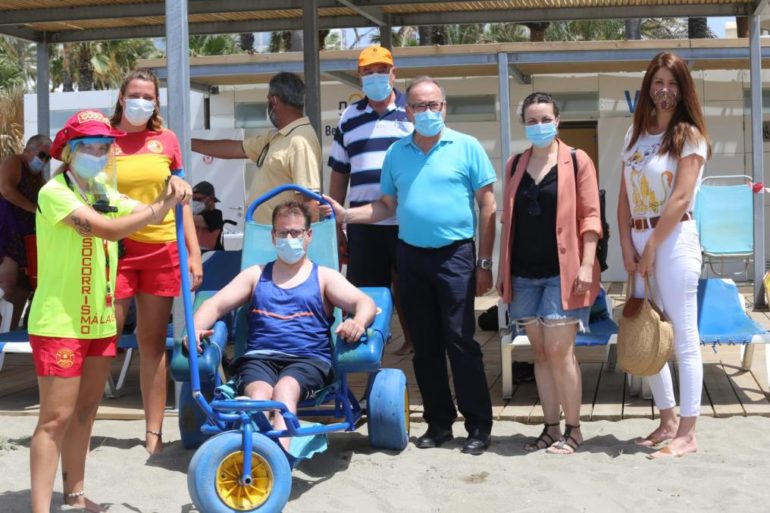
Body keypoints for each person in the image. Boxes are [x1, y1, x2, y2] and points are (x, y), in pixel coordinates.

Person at [324, 76, 497, 456]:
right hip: (411, 255)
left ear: (444, 107)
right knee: (424, 343)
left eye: (434, 104)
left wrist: (484, 261)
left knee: (460, 339)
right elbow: (386, 206)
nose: (427, 111)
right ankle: (439, 423)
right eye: (419, 105)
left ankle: (478, 425)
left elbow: (488, 205)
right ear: (408, 111)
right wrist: (346, 215)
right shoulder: (396, 153)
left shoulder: (467, 146)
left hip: (456, 255)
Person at [27, 110, 188, 513]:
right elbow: (111, 229)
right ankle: (40, 508)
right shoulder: (54, 192)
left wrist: (173, 186)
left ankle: (75, 495)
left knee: (85, 411)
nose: (98, 154)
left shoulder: (100, 189)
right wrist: (159, 207)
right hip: (60, 322)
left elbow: (140, 209)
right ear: (69, 150)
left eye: (104, 147)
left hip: (97, 320)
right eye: (90, 147)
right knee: (55, 418)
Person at [191, 200, 375, 450]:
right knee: (259, 395)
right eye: (283, 233)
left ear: (308, 235)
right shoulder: (255, 274)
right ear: (273, 236)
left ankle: (279, 454)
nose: (289, 239)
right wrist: (196, 328)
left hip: (308, 360)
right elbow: (214, 304)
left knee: (285, 389)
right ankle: (256, 452)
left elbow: (364, 302)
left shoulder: (324, 277)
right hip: (259, 358)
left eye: (296, 233)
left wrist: (357, 322)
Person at [496, 92, 602, 455]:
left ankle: (574, 429)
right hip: (523, 273)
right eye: (531, 120)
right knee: (540, 353)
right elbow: (508, 220)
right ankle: (551, 426)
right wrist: (502, 270)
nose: (538, 125)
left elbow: (591, 216)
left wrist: (587, 263)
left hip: (564, 272)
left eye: (545, 119)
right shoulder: (514, 164)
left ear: (557, 121)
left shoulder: (578, 160)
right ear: (523, 124)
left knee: (560, 350)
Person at [618, 51, 711, 459]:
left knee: (683, 337)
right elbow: (624, 197)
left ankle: (688, 432)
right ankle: (667, 420)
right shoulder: (634, 134)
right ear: (648, 87)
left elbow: (681, 197)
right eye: (658, 82)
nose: (664, 90)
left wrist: (651, 246)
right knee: (647, 330)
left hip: (673, 240)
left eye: (672, 83)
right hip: (639, 241)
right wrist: (627, 246)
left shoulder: (689, 135)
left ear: (683, 89)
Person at [109, 68, 203, 454]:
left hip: (162, 250)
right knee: (104, 337)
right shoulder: (103, 139)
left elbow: (183, 200)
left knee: (151, 343)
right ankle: (80, 422)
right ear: (121, 97)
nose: (141, 102)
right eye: (135, 94)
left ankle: (153, 435)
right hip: (116, 250)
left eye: (149, 97)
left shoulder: (166, 140)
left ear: (157, 102)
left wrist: (194, 253)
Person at [328, 45, 414, 355]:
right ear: (359, 76)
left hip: (407, 222)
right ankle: (366, 350)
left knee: (410, 288)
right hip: (363, 222)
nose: (375, 76)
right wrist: (336, 223)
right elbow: (340, 172)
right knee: (365, 291)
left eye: (382, 71)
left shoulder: (412, 112)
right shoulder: (349, 117)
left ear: (394, 74)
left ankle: (415, 341)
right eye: (368, 72)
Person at [191, 72, 321, 224]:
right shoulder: (277, 137)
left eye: (268, 100)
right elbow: (234, 148)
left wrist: (307, 239)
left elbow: (310, 202)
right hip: (265, 233)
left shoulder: (300, 141)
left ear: (274, 101)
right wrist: (187, 143)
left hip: (281, 235)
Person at [0, 134, 51, 329]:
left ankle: (10, 332)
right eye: (42, 155)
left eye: (48, 158)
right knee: (7, 283)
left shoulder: (37, 175)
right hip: (8, 231)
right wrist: (34, 209)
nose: (45, 160)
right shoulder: (15, 162)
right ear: (28, 150)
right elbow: (6, 189)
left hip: (27, 236)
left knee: (23, 286)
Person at [192, 180, 225, 251]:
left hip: (213, 255)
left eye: (198, 199)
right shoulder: (196, 214)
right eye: (193, 200)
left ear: (210, 198)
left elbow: (190, 219)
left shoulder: (216, 215)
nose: (195, 202)